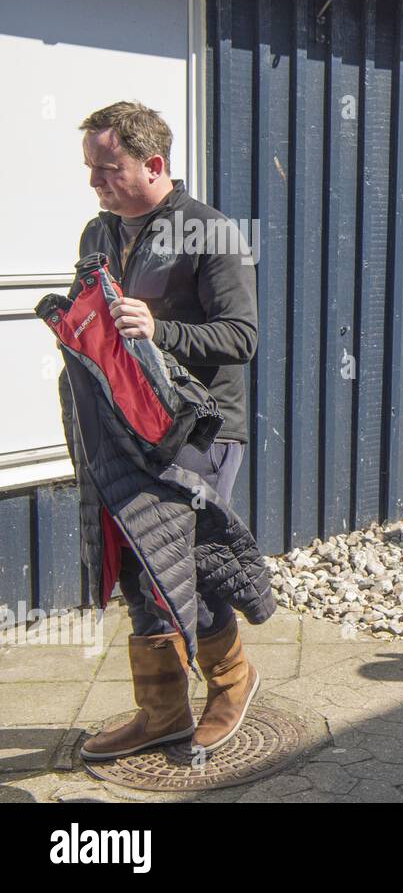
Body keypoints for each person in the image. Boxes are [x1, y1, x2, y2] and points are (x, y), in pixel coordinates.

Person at [75, 101, 261, 759]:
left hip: (201, 429)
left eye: (108, 168)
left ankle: (233, 680)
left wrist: (161, 329)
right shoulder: (98, 234)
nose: (95, 182)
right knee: (135, 561)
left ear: (155, 164)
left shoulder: (212, 233)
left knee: (193, 562)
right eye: (91, 169)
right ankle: (160, 709)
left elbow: (242, 336)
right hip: (125, 428)